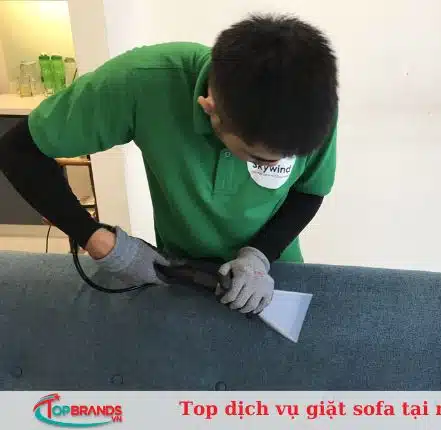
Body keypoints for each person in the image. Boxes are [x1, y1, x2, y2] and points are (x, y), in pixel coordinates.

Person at [0, 14, 338, 315]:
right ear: (210, 110)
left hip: (268, 270)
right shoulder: (143, 81)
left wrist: (260, 256)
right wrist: (95, 238)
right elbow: (18, 150)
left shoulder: (309, 103)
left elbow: (310, 190)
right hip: (182, 271)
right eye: (259, 159)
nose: (276, 164)